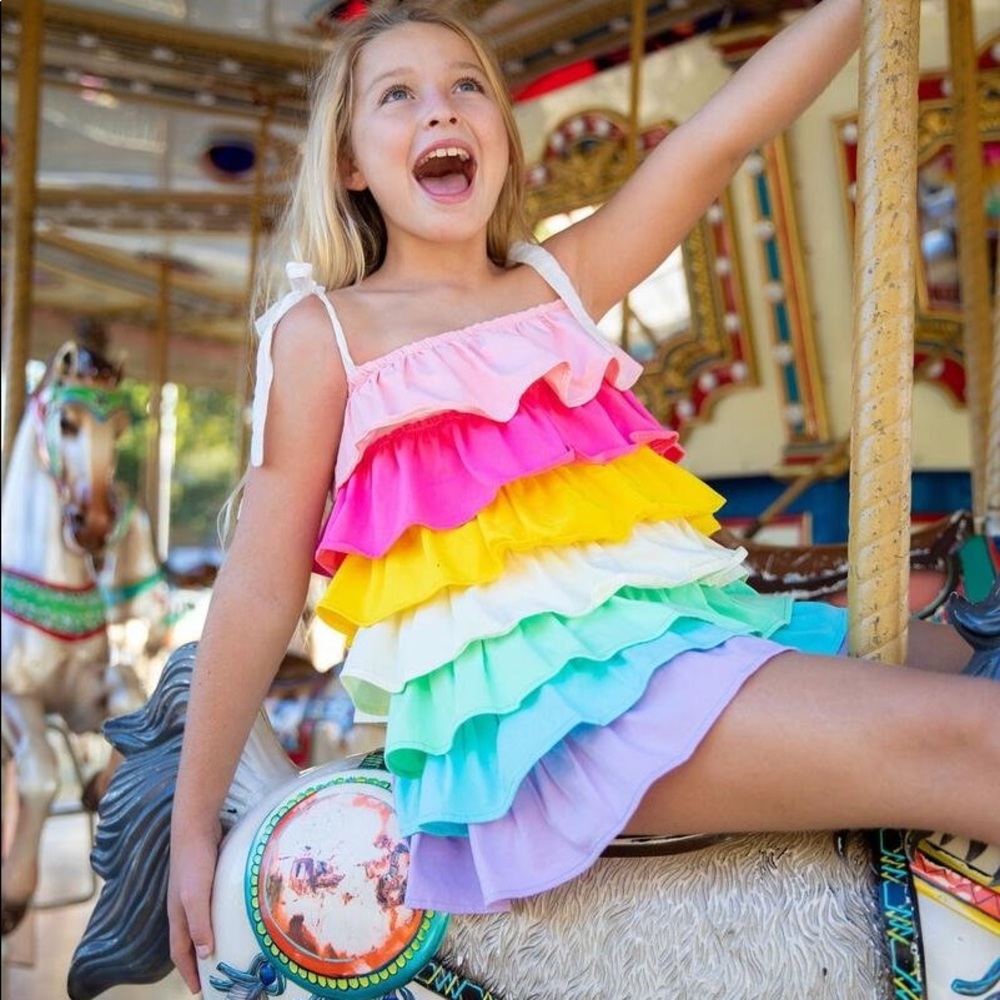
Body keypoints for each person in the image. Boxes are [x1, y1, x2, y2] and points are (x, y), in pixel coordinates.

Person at [167, 0, 999, 993]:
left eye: (467, 86)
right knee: (974, 736)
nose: (442, 110)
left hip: (672, 656)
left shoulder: (554, 289)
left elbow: (720, 133)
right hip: (552, 726)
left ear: (502, 142)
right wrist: (191, 817)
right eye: (398, 96)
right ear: (350, 162)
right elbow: (261, 587)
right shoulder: (325, 334)